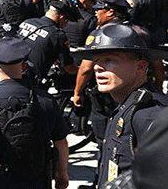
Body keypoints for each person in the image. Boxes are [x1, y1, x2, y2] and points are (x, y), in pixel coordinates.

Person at [0, 37, 69, 189]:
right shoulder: (46, 100)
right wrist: (61, 174)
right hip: (36, 180)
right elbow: (61, 143)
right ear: (23, 66)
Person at [72, 24, 168, 187]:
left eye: (109, 60)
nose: (97, 67)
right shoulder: (127, 105)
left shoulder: (148, 114)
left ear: (140, 67)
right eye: (96, 61)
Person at [17, 0, 80, 80]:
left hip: (12, 70)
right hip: (29, 81)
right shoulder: (58, 36)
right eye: (67, 20)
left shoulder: (28, 21)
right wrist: (81, 70)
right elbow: (70, 68)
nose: (67, 24)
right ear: (61, 17)